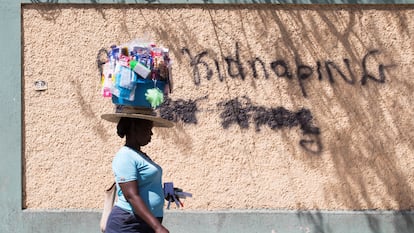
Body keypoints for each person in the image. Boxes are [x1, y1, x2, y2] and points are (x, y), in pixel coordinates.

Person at [101, 105, 174, 233]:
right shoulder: (125, 156)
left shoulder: (139, 155)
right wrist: (158, 227)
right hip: (128, 225)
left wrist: (164, 192)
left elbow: (144, 186)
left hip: (143, 224)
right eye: (148, 128)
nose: (151, 133)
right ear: (134, 128)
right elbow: (131, 195)